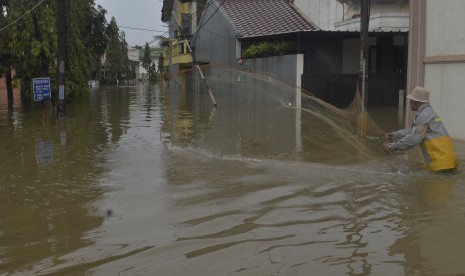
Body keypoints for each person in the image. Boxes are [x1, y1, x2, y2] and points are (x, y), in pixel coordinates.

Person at [383, 86, 457, 172]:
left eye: (410, 100)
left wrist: (392, 146)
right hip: (447, 160)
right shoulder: (428, 112)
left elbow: (414, 138)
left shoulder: (424, 116)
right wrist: (395, 134)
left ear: (415, 102)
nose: (409, 102)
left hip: (441, 163)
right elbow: (413, 131)